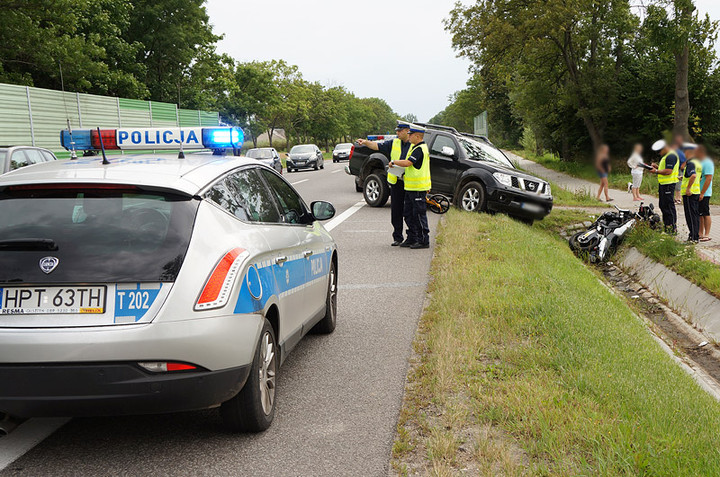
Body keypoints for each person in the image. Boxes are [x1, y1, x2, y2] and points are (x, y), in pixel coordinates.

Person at [357, 120, 412, 246]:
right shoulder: (394, 142)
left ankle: (411, 237)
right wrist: (365, 142)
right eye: (397, 131)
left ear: (407, 131)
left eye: (399, 131)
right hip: (397, 182)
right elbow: (377, 146)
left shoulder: (414, 144)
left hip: (410, 182)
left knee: (409, 211)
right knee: (396, 211)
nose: (397, 133)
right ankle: (397, 237)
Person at [389, 124, 431, 249]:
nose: (409, 136)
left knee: (418, 215)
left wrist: (394, 162)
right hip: (411, 188)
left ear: (417, 136)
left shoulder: (420, 149)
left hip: (418, 188)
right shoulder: (415, 147)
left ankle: (423, 240)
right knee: (408, 214)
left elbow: (408, 163)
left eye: (411, 135)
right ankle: (412, 237)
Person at [649, 139, 680, 234]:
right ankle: (667, 226)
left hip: (668, 185)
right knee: (663, 205)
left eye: (660, 151)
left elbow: (669, 171)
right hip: (663, 184)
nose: (659, 153)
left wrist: (656, 171)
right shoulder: (667, 156)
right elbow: (665, 169)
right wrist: (657, 167)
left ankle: (671, 228)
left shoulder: (671, 156)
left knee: (668, 206)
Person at [680, 153, 702, 242]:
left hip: (690, 194)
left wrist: (688, 188)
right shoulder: (698, 163)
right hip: (696, 192)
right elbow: (699, 178)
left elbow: (693, 176)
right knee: (695, 215)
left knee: (690, 216)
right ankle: (694, 235)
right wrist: (683, 178)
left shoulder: (690, 163)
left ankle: (694, 237)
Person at [698, 145, 714, 241]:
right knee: (700, 213)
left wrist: (702, 193)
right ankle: (700, 233)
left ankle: (707, 234)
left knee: (705, 213)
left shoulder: (707, 162)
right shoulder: (700, 162)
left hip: (705, 192)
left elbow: (708, 178)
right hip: (698, 191)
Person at [672, 135, 688, 205]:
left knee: (678, 184)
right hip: (676, 169)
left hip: (679, 169)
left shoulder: (680, 150)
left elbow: (686, 159)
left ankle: (678, 199)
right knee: (677, 184)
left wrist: (683, 165)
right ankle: (677, 198)